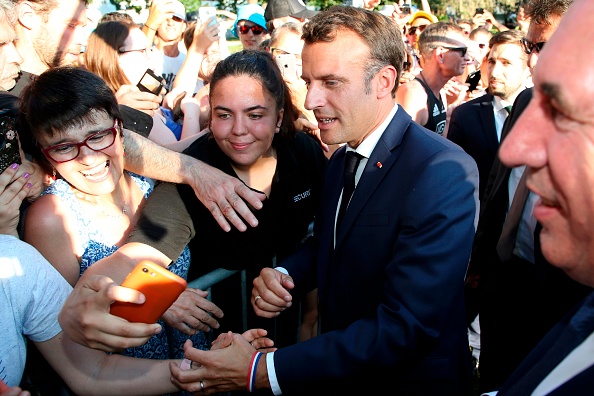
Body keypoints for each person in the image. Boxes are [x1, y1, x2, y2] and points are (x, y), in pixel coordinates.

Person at [169, 5, 479, 395]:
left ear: (383, 81)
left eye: (331, 82)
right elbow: (332, 242)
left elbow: (407, 326)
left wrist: (261, 369)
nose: (312, 98)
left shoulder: (441, 170)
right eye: (308, 80)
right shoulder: (341, 156)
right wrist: (287, 276)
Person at [58, 49, 327, 354]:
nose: (239, 129)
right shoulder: (191, 179)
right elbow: (138, 254)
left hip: (293, 337)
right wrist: (83, 298)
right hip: (225, 347)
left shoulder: (303, 152)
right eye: (224, 115)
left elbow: (329, 228)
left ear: (278, 118)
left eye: (255, 115)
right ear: (209, 115)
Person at [10, 0, 266, 235]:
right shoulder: (11, 101)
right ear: (28, 16)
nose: (83, 38)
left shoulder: (89, 92)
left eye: (100, 133)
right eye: (72, 24)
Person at [464, 0, 588, 393]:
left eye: (565, 112)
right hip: (505, 277)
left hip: (558, 289)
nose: (518, 149)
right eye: (532, 47)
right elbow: (498, 189)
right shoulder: (524, 101)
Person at [85, 20, 203, 151]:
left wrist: (168, 110)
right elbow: (182, 156)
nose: (152, 59)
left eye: (150, 50)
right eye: (142, 51)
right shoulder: (133, 107)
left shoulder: (119, 102)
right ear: (114, 58)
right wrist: (192, 113)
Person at [447, 29, 530, 200]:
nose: (495, 71)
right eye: (491, 61)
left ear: (527, 67)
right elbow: (454, 179)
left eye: (506, 63)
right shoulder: (465, 116)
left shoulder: (544, 113)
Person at [396, 22, 471, 135]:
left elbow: (440, 144)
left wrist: (449, 112)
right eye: (463, 51)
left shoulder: (440, 92)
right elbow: (398, 149)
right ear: (441, 55)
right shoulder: (414, 95)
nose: (468, 58)